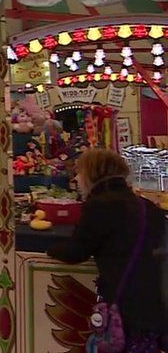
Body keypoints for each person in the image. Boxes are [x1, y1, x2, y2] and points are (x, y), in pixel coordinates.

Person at [47, 149, 167, 350]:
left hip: (124, 308)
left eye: (80, 172)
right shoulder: (147, 206)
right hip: (153, 305)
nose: (76, 178)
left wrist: (50, 249)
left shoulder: (99, 205)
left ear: (92, 173)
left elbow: (76, 251)